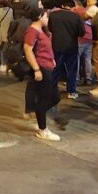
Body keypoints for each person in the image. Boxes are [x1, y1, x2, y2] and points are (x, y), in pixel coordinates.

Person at [23, 8, 62, 142]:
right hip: (41, 68)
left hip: (48, 66)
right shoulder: (32, 31)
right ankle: (42, 129)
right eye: (46, 16)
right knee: (44, 99)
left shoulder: (42, 31)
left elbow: (46, 48)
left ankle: (39, 114)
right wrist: (36, 69)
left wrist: (52, 59)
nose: (47, 19)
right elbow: (28, 50)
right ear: (40, 17)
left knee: (55, 97)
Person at [46, 0, 84, 100]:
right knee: (72, 69)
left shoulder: (53, 15)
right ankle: (71, 91)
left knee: (55, 67)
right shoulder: (76, 17)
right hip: (71, 46)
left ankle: (51, 88)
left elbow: (50, 28)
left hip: (56, 45)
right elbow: (81, 32)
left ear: (62, 6)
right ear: (73, 7)